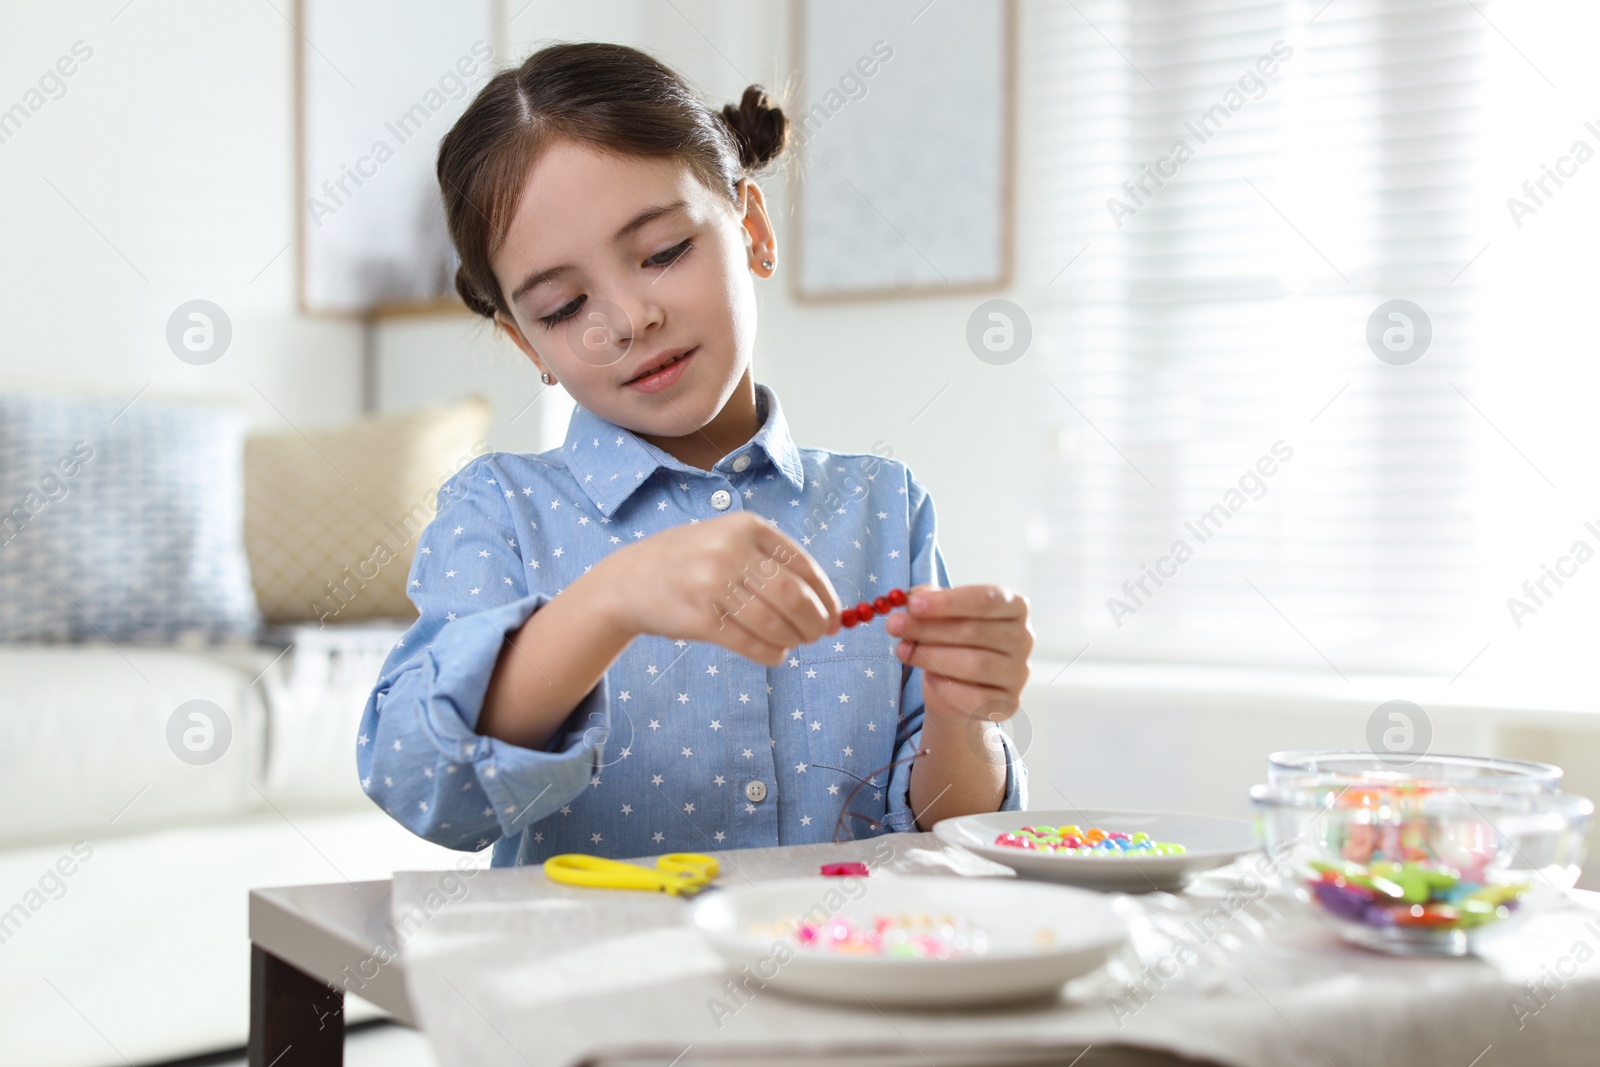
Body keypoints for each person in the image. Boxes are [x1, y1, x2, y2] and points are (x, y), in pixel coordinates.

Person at [357, 42, 1033, 867]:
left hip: (848, 979)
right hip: (604, 986)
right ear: (524, 341)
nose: (628, 318)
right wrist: (607, 601)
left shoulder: (883, 505)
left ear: (750, 227)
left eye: (664, 252)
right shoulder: (499, 511)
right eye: (566, 306)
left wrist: (963, 715)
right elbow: (422, 781)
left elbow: (944, 826)